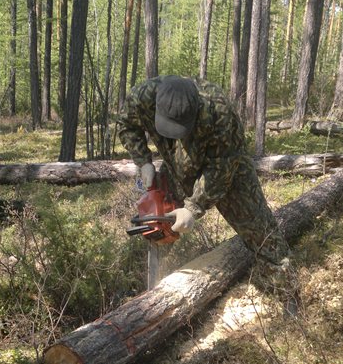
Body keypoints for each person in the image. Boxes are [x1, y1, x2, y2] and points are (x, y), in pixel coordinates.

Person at [117, 74, 291, 278]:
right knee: (158, 222)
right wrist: (143, 161)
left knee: (259, 229)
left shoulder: (219, 111)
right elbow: (127, 124)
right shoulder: (143, 96)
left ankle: (283, 284)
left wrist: (193, 207)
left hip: (228, 167)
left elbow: (221, 168)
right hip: (176, 164)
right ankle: (155, 279)